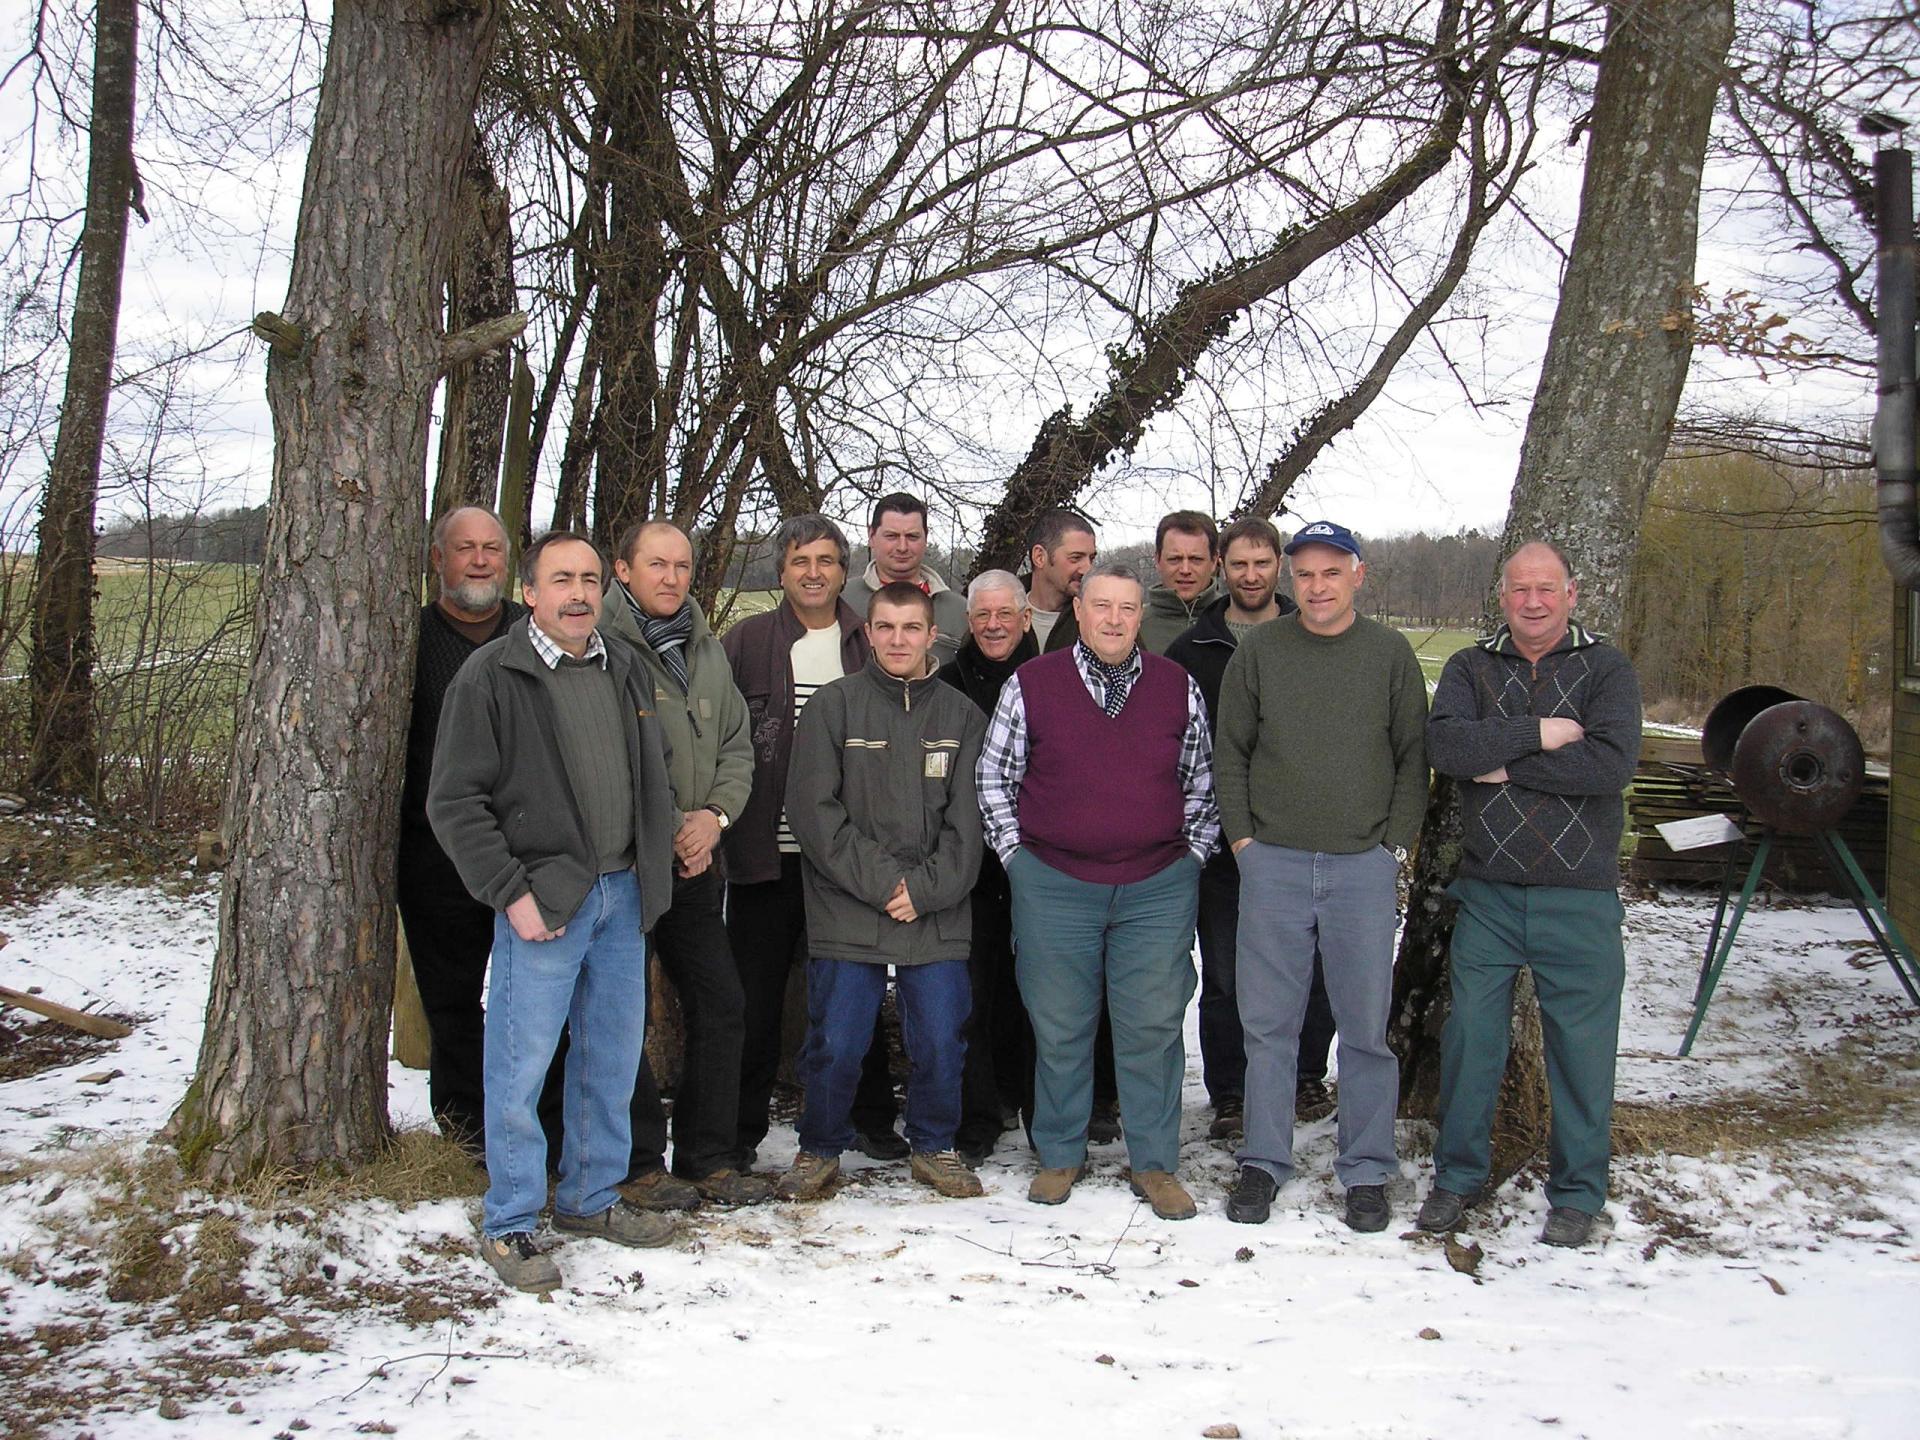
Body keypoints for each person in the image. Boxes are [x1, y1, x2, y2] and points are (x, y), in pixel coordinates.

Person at [428, 530, 681, 1294]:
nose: (578, 593)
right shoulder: (490, 676)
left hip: (622, 892)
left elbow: (650, 774)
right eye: (561, 579)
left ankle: (588, 1196)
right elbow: (455, 801)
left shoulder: (624, 666)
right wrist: (511, 892)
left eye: (590, 580)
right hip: (545, 902)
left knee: (609, 1057)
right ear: (530, 593)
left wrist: (653, 860)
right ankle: (509, 1221)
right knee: (520, 1062)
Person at [1416, 542, 1642, 1249]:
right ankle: (1457, 1178)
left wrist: (1503, 765)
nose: (1534, 602)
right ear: (1502, 595)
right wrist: (1540, 736)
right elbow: (1448, 749)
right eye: (1520, 590)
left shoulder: (1605, 668)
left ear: (1572, 594)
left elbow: (1610, 764)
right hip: (1489, 892)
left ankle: (1577, 1193)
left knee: (1582, 1051)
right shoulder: (1469, 666)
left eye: (1547, 589)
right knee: (1471, 1042)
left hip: (1580, 897)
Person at [979, 563, 1221, 1220]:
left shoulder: (1177, 686)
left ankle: (1154, 1163)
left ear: (1141, 616)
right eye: (1102, 606)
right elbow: (995, 780)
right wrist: (1019, 862)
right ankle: (1060, 1153)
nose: (1114, 619)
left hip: (1155, 887)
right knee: (1060, 1026)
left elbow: (1202, 783)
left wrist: (1190, 858)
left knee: (1151, 1025)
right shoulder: (1032, 685)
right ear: (1078, 613)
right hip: (1055, 884)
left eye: (1128, 608)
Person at [1213, 520, 1428, 1232]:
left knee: (1364, 1027)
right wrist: (1244, 839)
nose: (1317, 585)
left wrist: (1390, 847)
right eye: (1304, 573)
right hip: (1272, 861)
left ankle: (1366, 1170)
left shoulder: (1389, 655)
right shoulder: (1262, 652)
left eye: (1331, 572)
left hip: (1360, 866)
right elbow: (1231, 753)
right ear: (1289, 578)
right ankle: (1263, 1161)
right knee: (1268, 1024)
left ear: (1358, 576)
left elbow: (1411, 761)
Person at [778, 583, 989, 1200]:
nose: (899, 639)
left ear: (932, 634)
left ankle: (934, 1145)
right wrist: (883, 884)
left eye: (912, 628)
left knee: (941, 1037)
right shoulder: (832, 708)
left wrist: (923, 890)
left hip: (936, 904)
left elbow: (970, 822)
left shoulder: (960, 716)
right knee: (837, 1041)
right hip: (849, 900)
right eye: (886, 627)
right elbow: (813, 811)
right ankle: (819, 1147)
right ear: (867, 633)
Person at [722, 515, 904, 1170]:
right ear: (781, 569)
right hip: (765, 856)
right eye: (801, 560)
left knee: (854, 993)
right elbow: (721, 738)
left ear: (843, 569)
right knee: (754, 1001)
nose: (814, 572)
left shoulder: (866, 643)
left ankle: (871, 1120)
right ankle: (737, 1133)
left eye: (827, 560)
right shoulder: (745, 642)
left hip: (847, 860)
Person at [599, 519, 771, 1209]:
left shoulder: (704, 646)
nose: (671, 577)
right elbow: (610, 756)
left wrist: (713, 819)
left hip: (698, 861)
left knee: (722, 1001)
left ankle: (706, 1156)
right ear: (623, 570)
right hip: (624, 863)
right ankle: (639, 1162)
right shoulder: (604, 646)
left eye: (682, 566)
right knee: (620, 1011)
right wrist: (669, 825)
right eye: (656, 565)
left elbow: (736, 743)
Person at [1165, 517, 1336, 1141]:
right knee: (1227, 974)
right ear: (1220, 567)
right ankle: (1232, 1093)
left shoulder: (1311, 636)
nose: (1251, 575)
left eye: (1262, 563)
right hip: (1220, 840)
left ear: (1279, 566)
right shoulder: (1192, 650)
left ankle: (1305, 1076)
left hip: (1302, 833)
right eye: (1238, 564)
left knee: (1311, 965)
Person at [397, 506, 542, 1159]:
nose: (480, 560)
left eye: (491, 548)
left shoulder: (532, 631)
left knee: (538, 1008)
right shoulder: (411, 642)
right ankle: (469, 1132)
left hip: (533, 859)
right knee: (453, 1004)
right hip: (439, 861)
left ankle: (542, 1128)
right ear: (437, 559)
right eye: (465, 549)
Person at [937, 569, 1040, 1164]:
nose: (994, 625)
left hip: (1038, 864)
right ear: (968, 622)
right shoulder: (948, 684)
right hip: (969, 867)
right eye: (982, 616)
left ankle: (1037, 1109)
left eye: (1006, 614)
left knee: (1035, 998)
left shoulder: (1054, 677)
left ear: (1026, 618)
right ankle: (976, 1117)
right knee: (970, 995)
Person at [843, 491, 967, 663]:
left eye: (912, 537)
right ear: (871, 536)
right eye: (892, 536)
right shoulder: (842, 601)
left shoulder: (959, 611)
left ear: (926, 538)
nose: (902, 547)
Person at [1141, 510, 1224, 654]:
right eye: (1175, 559)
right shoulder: (1132, 626)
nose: (1185, 570)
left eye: (1196, 559)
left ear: (1214, 561)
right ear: (1158, 560)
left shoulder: (1235, 619)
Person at [1022, 508, 1098, 653]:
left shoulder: (1101, 618)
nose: (1087, 569)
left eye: (1091, 558)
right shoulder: (998, 614)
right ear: (1039, 557)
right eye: (1076, 558)